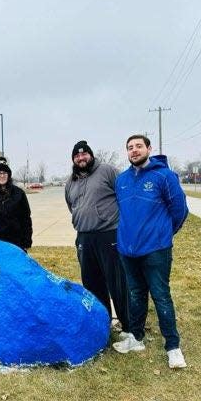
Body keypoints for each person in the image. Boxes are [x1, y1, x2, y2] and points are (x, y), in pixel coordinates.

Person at [112, 135, 189, 369]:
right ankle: (136, 338)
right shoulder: (122, 180)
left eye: (138, 146)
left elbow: (180, 211)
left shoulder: (164, 176)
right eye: (130, 148)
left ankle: (173, 347)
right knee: (135, 295)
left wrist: (163, 233)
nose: (134, 151)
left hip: (156, 249)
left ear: (149, 149)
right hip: (128, 250)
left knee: (160, 295)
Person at [64, 140, 130, 337]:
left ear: (90, 155)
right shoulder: (71, 182)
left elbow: (123, 197)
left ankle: (129, 326)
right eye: (77, 156)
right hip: (84, 237)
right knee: (92, 283)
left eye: (84, 154)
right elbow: (71, 205)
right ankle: (103, 322)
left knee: (116, 281)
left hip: (108, 234)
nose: (81, 158)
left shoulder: (108, 171)